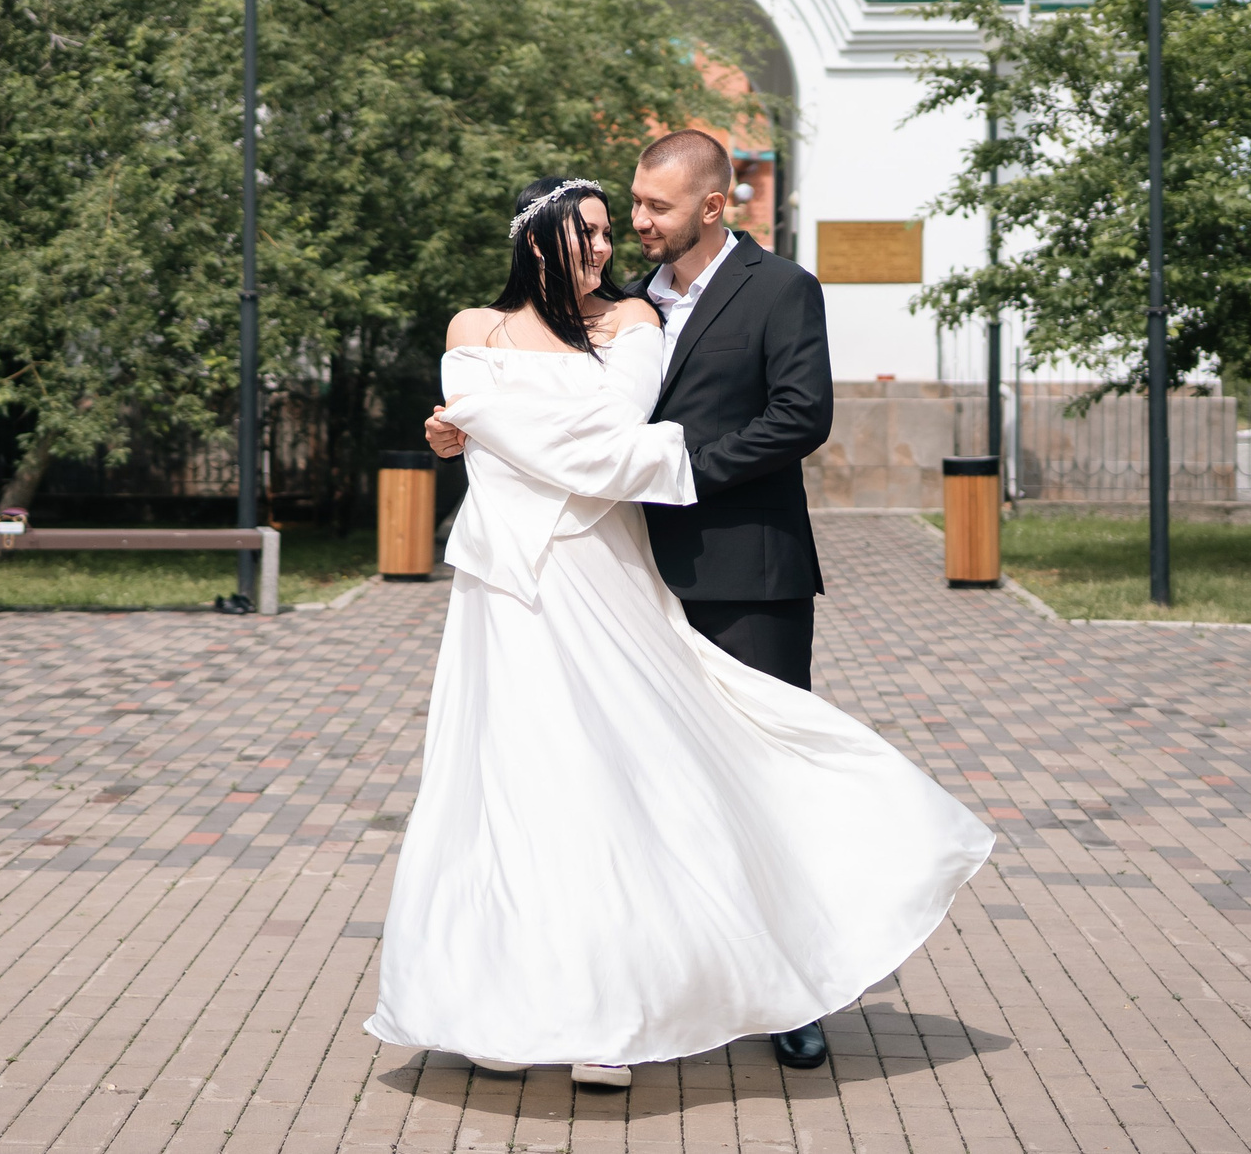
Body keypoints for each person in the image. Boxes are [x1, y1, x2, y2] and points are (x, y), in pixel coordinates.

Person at [372, 173, 990, 1088]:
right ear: (534, 236)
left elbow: (615, 441)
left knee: (616, 781)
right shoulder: (470, 326)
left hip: (601, 576)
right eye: (583, 230)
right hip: (502, 589)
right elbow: (554, 438)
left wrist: (505, 425)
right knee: (502, 784)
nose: (605, 246)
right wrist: (483, 432)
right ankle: (495, 1007)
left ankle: (617, 1018)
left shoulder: (632, 325)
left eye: (612, 230)